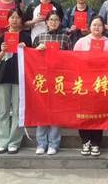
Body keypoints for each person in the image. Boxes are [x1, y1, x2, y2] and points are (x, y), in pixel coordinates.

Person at [73, 16, 108, 157]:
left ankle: (96, 142)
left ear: (104, 27)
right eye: (94, 25)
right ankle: (85, 141)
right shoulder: (81, 42)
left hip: (101, 83)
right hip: (84, 82)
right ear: (89, 26)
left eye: (99, 25)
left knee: (98, 113)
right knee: (84, 113)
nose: (96, 27)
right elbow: (74, 60)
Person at [32, 11, 72, 155]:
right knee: (42, 111)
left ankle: (53, 144)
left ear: (60, 22)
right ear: (46, 22)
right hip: (42, 78)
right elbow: (31, 58)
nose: (53, 22)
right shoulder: (39, 37)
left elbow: (71, 59)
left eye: (56, 20)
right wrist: (37, 50)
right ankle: (41, 143)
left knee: (56, 112)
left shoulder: (65, 38)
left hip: (59, 79)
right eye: (51, 20)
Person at [0, 7, 32, 154]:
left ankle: (14, 142)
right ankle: (2, 141)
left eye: (17, 17)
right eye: (12, 17)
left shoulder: (26, 37)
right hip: (3, 76)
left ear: (21, 20)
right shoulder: (1, 37)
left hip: (19, 78)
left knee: (17, 111)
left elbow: (32, 58)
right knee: (4, 111)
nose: (14, 20)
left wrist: (25, 49)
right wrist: (3, 50)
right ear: (8, 19)